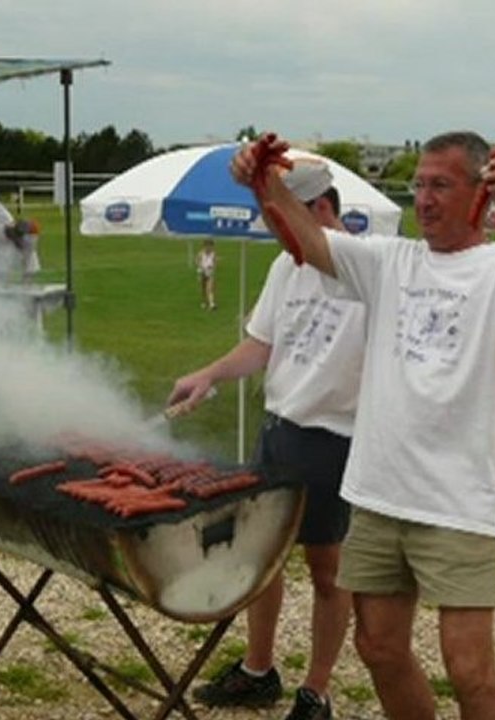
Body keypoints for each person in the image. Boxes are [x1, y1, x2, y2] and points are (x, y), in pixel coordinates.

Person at [231, 131, 495, 720]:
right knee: (380, 648)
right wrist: (268, 184)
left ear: (481, 193)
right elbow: (311, 243)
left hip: (459, 502)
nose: (424, 198)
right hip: (380, 494)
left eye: (441, 184)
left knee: (469, 669)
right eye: (419, 184)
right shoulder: (390, 260)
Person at [169, 162, 365, 720]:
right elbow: (261, 345)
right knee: (261, 560)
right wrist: (209, 373)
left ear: (321, 209)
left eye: (283, 222)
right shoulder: (286, 266)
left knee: (328, 571)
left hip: (333, 439)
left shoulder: (366, 269)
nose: (279, 236)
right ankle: (259, 671)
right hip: (278, 430)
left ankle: (317, 690)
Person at [196, 239, 218, 310]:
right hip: (202, 272)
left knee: (209, 288)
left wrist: (212, 269)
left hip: (210, 272)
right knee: (203, 288)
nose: (209, 248)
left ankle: (212, 303)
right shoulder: (201, 253)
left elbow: (215, 263)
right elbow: (197, 261)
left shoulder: (213, 254)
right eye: (207, 246)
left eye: (210, 246)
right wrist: (201, 268)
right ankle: (204, 302)